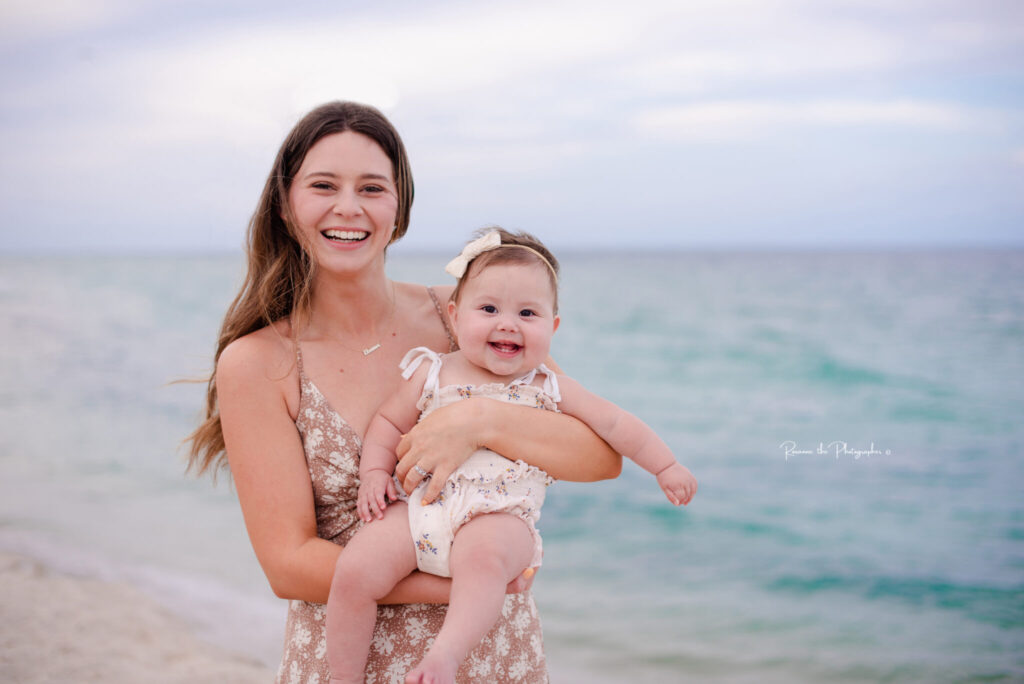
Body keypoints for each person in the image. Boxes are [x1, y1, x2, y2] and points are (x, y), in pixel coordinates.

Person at [185, 102, 622, 683]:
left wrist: (482, 422)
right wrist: (468, 584)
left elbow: (599, 455)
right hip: (355, 663)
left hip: (491, 655)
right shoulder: (258, 363)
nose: (349, 207)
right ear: (287, 206)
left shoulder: (464, 317)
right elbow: (287, 565)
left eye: (372, 187)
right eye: (323, 186)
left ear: (400, 207)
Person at [327, 228, 698, 684]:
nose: (508, 323)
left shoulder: (549, 386)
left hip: (498, 516)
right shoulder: (431, 371)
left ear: (553, 327)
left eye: (528, 313)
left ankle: (444, 657)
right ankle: (342, 676)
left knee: (482, 566)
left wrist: (664, 465)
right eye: (488, 309)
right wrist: (373, 473)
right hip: (418, 509)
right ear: (454, 315)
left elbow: (615, 425)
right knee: (354, 570)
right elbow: (386, 423)